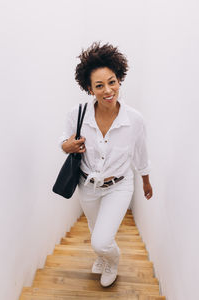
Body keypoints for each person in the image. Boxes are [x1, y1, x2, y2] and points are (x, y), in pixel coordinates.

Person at [59, 42, 153, 287]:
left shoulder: (134, 120)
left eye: (112, 82)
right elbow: (65, 140)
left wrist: (146, 180)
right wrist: (66, 146)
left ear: (119, 79)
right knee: (95, 230)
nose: (108, 90)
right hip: (87, 185)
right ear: (89, 88)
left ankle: (111, 260)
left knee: (101, 239)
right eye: (99, 85)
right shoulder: (77, 114)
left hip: (119, 186)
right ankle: (102, 257)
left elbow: (141, 153)